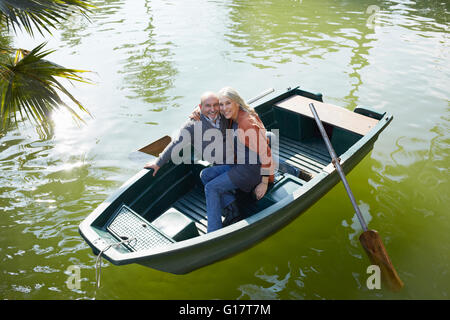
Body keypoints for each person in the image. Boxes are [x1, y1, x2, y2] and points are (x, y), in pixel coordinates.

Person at [201, 87, 274, 232]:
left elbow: (265, 153)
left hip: (252, 170)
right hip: (239, 164)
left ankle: (213, 234)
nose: (224, 108)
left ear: (237, 103)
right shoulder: (232, 117)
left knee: (211, 188)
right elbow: (206, 111)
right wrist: (197, 113)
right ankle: (233, 210)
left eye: (228, 103)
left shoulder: (247, 123)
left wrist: (264, 182)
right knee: (205, 175)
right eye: (221, 105)